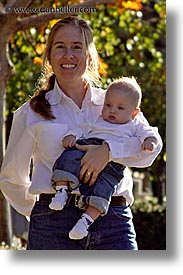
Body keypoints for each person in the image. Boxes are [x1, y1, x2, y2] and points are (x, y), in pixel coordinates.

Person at [0, 16, 162, 250]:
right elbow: (11, 179)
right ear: (49, 56)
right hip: (52, 227)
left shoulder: (117, 101)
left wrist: (109, 152)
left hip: (113, 223)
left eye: (77, 47)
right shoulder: (31, 112)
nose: (69, 55)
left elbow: (151, 149)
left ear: (89, 55)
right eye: (60, 47)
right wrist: (42, 212)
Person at [49, 76, 159, 240]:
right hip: (86, 147)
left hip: (113, 164)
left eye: (120, 108)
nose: (112, 110)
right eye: (108, 105)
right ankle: (61, 192)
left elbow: (151, 134)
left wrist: (149, 141)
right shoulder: (97, 118)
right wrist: (71, 136)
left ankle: (85, 221)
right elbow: (82, 128)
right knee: (67, 158)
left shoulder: (136, 124)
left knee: (103, 190)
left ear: (134, 112)